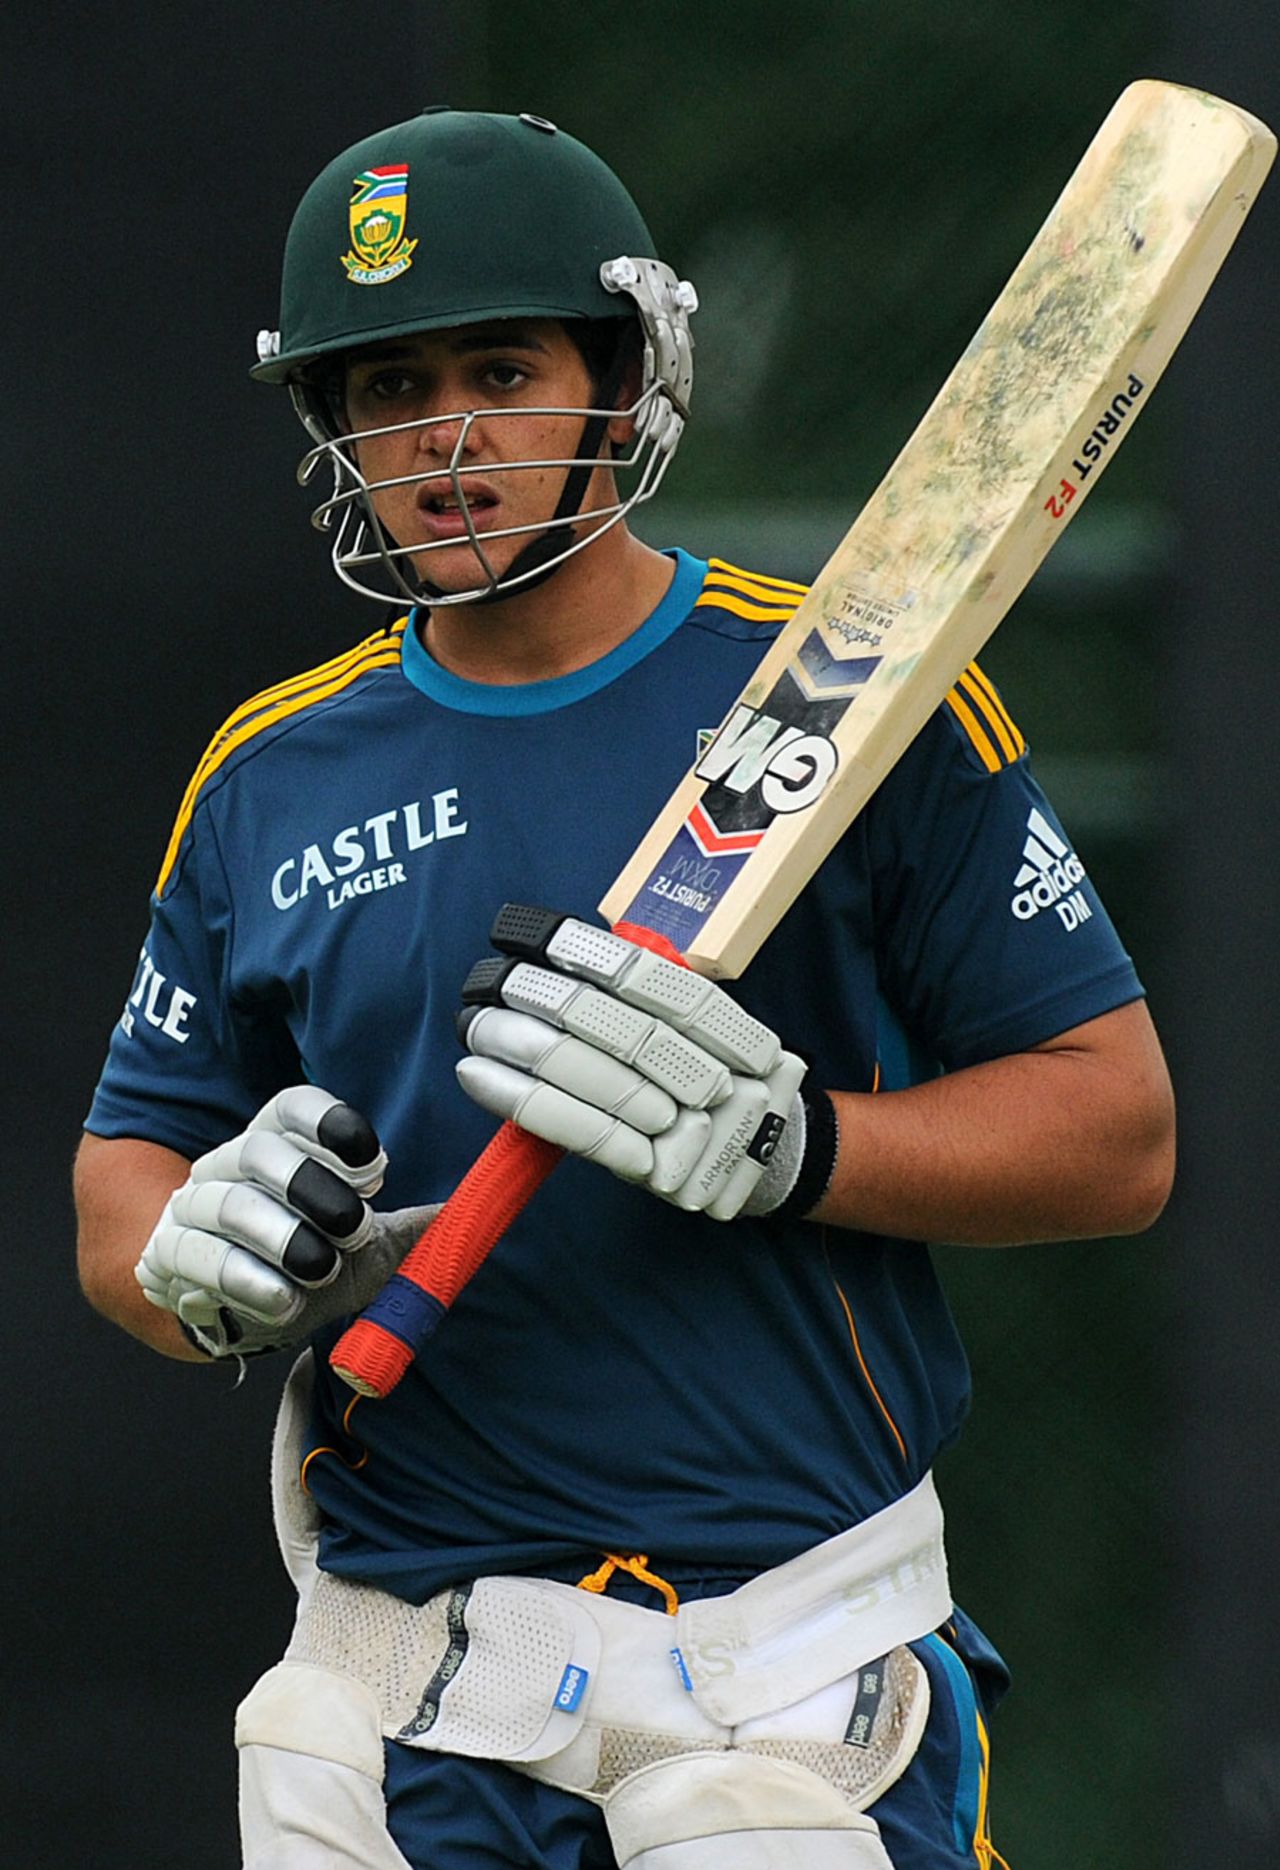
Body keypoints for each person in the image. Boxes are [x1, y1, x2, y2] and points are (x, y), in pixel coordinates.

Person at [75, 108, 1175, 1870]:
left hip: (784, 1667)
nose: (441, 438)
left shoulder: (850, 695)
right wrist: (198, 1254)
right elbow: (122, 1174)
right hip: (403, 1691)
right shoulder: (266, 776)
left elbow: (1117, 1134)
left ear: (624, 373)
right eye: (383, 387)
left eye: (499, 367)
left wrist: (797, 1142)